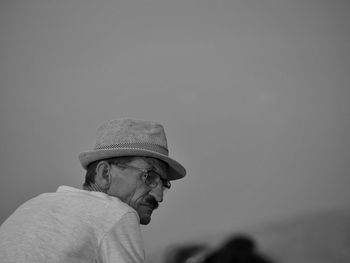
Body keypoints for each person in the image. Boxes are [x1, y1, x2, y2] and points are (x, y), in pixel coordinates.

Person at [0, 118, 186, 263]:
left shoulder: (31, 207)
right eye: (150, 177)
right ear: (105, 173)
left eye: (164, 183)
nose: (159, 196)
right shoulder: (116, 212)